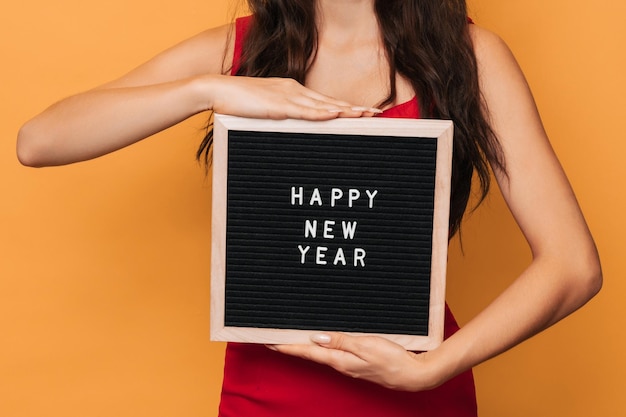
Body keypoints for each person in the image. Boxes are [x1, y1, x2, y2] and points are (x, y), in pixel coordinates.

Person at [16, 0, 602, 415]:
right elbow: (39, 141)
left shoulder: (470, 55)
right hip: (263, 394)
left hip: (416, 389)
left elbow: (572, 266)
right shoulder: (241, 49)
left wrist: (434, 368)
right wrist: (210, 89)